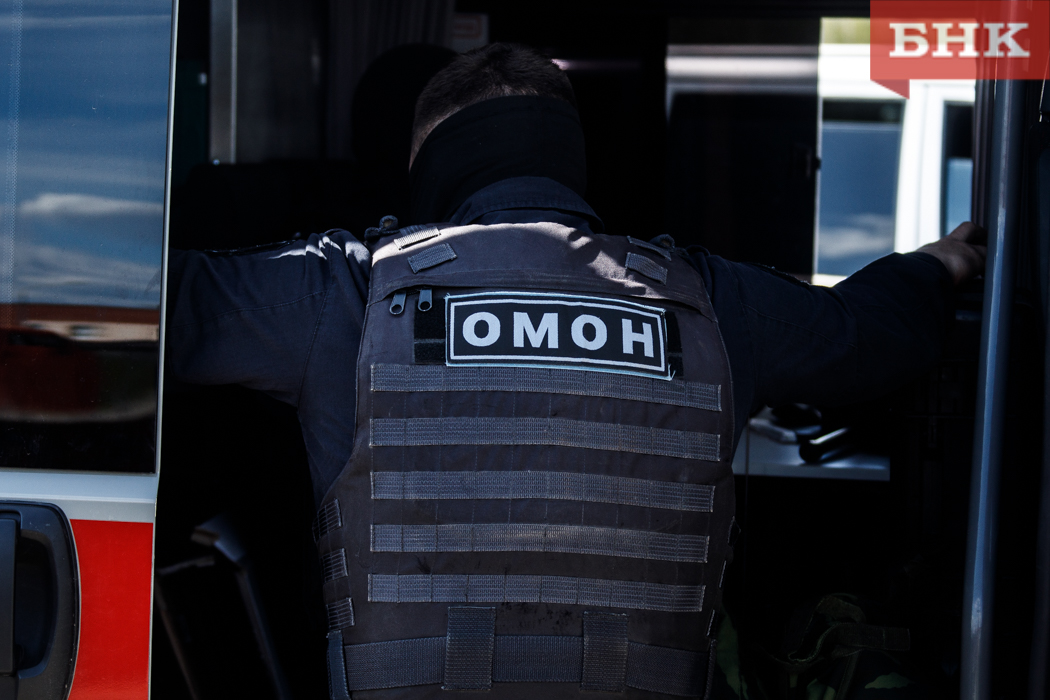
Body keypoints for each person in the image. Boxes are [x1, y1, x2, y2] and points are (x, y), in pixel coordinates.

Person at [166, 43, 985, 700]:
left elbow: (145, 299)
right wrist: (934, 265)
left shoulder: (343, 292)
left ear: (433, 161)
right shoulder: (711, 301)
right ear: (566, 159)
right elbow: (870, 334)